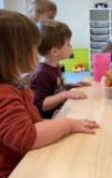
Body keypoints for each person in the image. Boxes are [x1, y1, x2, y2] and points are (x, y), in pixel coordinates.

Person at [0, 10, 99, 178]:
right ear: (15, 53)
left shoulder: (12, 85)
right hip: (16, 170)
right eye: (34, 48)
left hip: (28, 159)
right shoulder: (4, 92)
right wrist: (67, 124)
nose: (38, 53)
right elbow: (26, 137)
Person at [30, 20, 91, 119]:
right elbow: (40, 104)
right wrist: (65, 94)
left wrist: (69, 86)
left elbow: (54, 89)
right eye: (68, 44)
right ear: (55, 51)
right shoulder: (41, 73)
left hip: (60, 112)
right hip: (49, 121)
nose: (71, 46)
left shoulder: (55, 66)